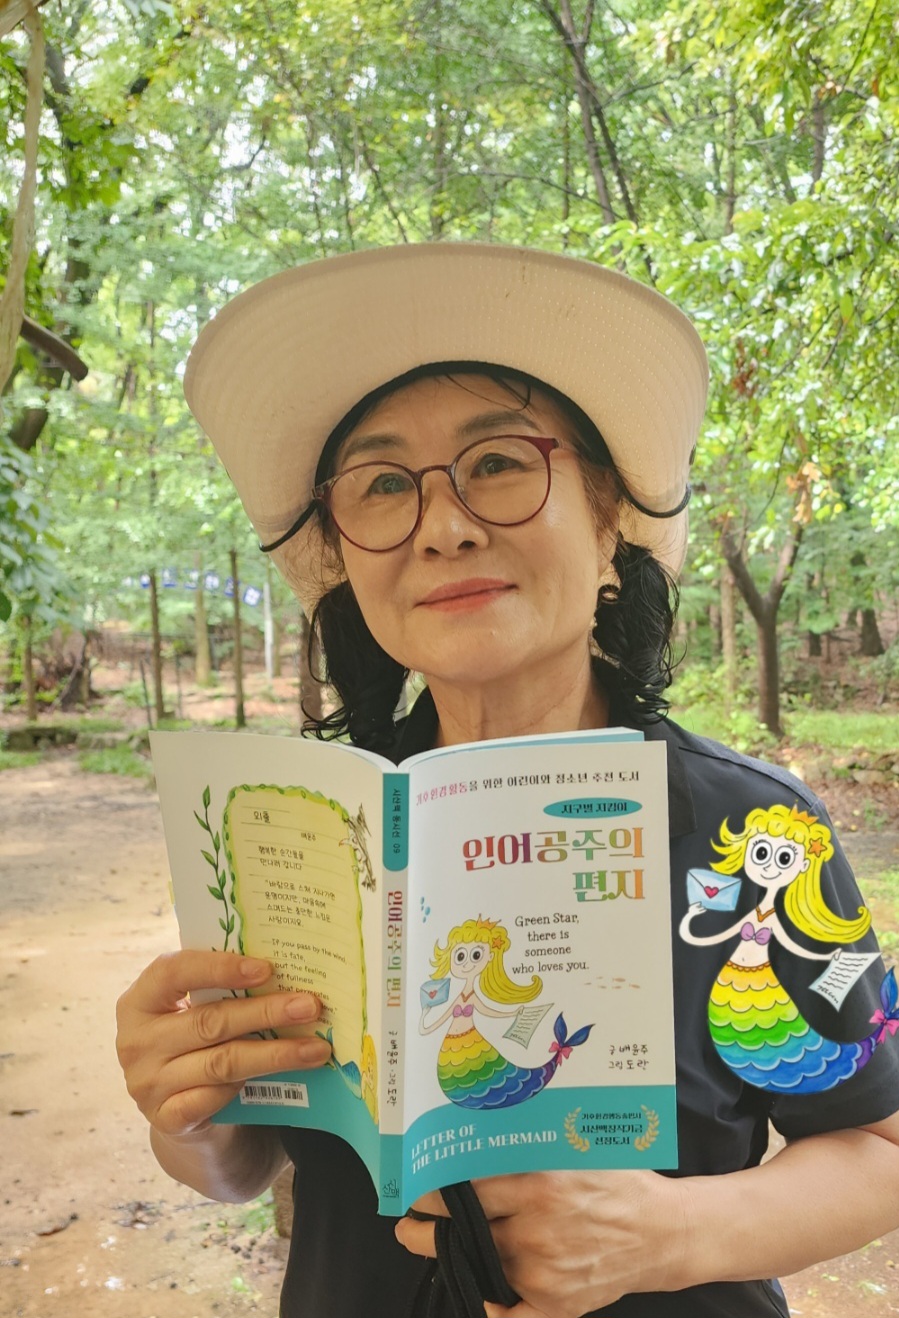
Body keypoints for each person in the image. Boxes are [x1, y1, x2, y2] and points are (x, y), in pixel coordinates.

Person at [115, 244, 899, 1318]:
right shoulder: (302, 832)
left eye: (495, 463)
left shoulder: (750, 832)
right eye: (382, 485)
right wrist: (186, 1108)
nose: (443, 527)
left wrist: (666, 1234)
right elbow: (243, 1165)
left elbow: (876, 1143)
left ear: (609, 522)